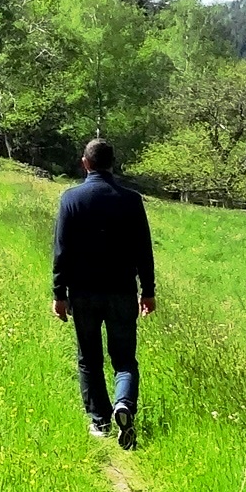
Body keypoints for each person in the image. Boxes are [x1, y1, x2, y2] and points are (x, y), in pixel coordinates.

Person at [51, 138, 156, 448]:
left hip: (83, 293)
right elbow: (144, 251)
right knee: (124, 360)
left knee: (89, 359)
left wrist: (59, 293)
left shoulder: (71, 199)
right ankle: (124, 403)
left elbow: (62, 251)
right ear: (113, 164)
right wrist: (147, 291)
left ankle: (100, 421)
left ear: (86, 163)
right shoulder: (132, 200)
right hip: (122, 291)